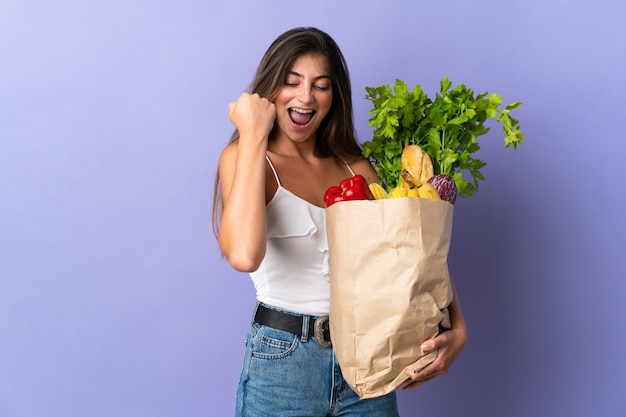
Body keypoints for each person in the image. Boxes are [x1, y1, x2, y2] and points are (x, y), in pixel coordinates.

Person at [212, 27, 467, 417]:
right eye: (291, 82)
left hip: (367, 355)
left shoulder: (356, 166)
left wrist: (458, 326)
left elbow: (410, 255)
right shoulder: (247, 160)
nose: (305, 97)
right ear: (270, 91)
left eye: (321, 85)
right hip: (283, 363)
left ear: (335, 96)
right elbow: (245, 255)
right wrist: (253, 134)